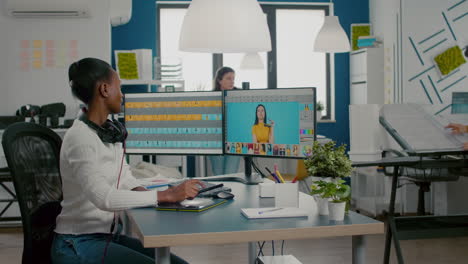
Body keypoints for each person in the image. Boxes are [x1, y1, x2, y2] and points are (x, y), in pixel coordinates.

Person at [51, 58, 202, 264]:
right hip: (78, 242)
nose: (122, 95)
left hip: (107, 236)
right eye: (119, 87)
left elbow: (126, 179)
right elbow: (104, 198)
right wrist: (164, 195)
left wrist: (160, 196)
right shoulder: (80, 137)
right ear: (104, 89)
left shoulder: (109, 131)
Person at [209, 67, 241, 175]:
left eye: (233, 78)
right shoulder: (211, 97)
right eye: (228, 78)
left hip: (234, 140)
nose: (232, 81)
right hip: (216, 141)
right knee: (218, 174)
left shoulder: (240, 95)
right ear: (219, 80)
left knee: (230, 173)